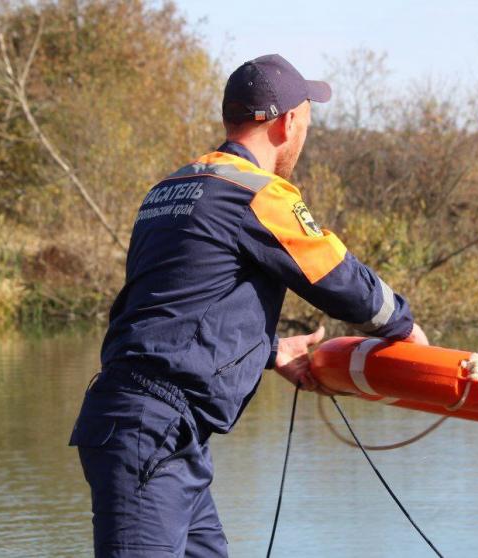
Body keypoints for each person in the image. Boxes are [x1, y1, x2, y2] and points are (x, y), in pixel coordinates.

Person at [69, 53, 428, 557]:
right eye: (306, 120)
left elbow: (175, 309)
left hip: (153, 428)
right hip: (153, 433)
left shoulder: (171, 188)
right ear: (287, 122)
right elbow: (336, 277)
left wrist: (267, 350)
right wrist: (404, 327)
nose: (305, 134)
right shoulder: (256, 193)